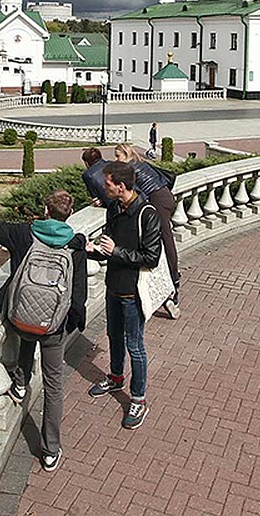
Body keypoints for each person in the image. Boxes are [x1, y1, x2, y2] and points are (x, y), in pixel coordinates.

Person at [0, 189, 87, 472]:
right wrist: (70, 322)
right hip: (53, 327)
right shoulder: (75, 245)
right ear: (69, 214)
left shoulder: (22, 234)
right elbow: (79, 295)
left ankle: (19, 382)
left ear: (45, 210)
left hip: (20, 319)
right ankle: (50, 450)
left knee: (27, 327)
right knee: (54, 386)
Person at [87, 161, 161, 429]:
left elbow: (152, 257)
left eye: (107, 184)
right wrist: (91, 249)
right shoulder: (113, 208)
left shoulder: (147, 214)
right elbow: (108, 246)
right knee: (113, 336)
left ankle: (138, 400)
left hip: (133, 292)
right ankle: (116, 377)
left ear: (121, 186)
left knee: (135, 346)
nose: (103, 187)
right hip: (113, 286)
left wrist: (115, 251)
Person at [114, 143, 181, 318]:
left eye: (118, 156)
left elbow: (136, 195)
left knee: (165, 241)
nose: (116, 160)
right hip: (166, 197)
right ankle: (173, 282)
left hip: (158, 201)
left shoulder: (130, 169)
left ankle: (173, 281)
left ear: (125, 154)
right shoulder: (140, 162)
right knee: (164, 239)